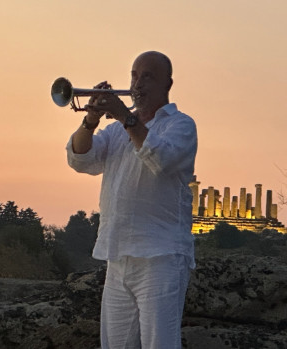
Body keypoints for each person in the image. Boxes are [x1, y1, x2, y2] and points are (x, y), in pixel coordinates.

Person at [66, 51, 198, 348]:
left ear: (168, 84)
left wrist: (125, 116)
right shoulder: (115, 130)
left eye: (148, 76)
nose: (138, 83)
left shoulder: (181, 125)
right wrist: (90, 120)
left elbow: (160, 159)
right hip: (118, 254)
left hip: (161, 256)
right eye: (134, 75)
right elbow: (80, 159)